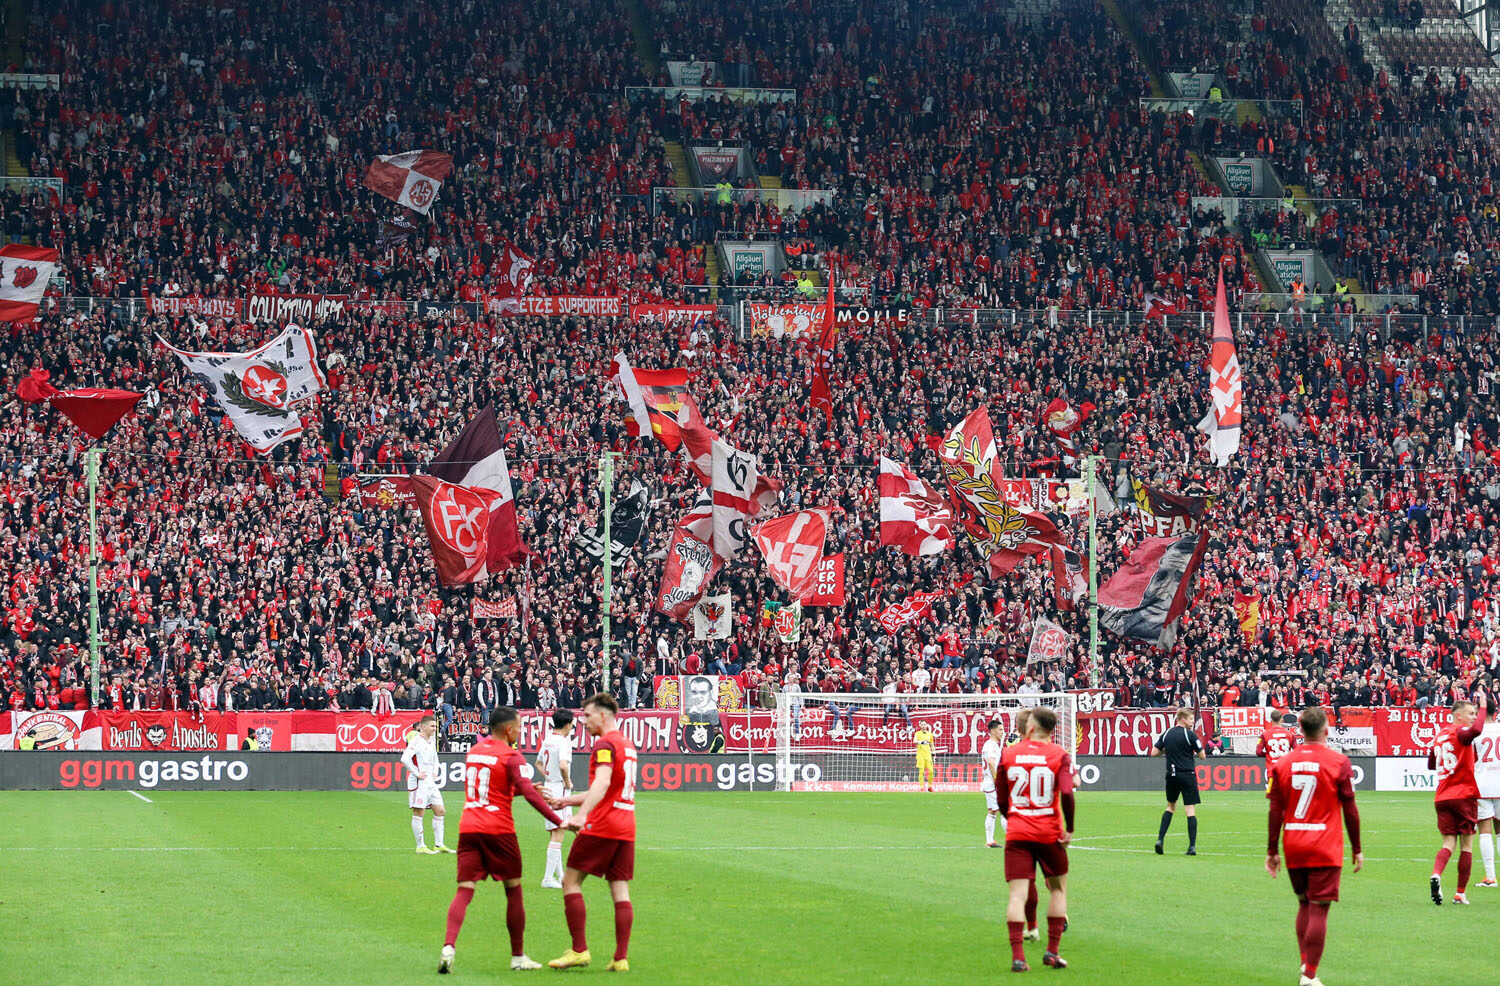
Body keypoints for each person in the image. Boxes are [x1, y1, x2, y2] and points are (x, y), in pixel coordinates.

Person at [439, 707, 570, 975]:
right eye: (519, 727)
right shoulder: (512, 756)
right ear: (508, 729)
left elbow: (496, 790)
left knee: (464, 890)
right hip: (499, 830)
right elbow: (531, 796)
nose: (521, 731)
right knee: (513, 890)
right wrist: (560, 821)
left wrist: (525, 790)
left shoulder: (474, 752)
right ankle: (518, 956)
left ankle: (448, 947)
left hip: (469, 827)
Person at [1265, 706, 1364, 986]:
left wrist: (1272, 851)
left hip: (1294, 842)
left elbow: (1275, 811)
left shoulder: (1283, 763)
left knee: (1304, 904)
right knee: (1319, 908)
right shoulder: (1338, 761)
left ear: (1301, 731)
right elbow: (1351, 810)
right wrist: (1357, 847)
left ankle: (1304, 965)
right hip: (1324, 844)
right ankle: (1309, 974)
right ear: (1326, 730)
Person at [548, 693, 638, 972]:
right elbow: (608, 790)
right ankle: (620, 958)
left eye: (587, 715)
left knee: (570, 882)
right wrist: (567, 800)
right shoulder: (627, 745)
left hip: (602, 825)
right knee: (620, 890)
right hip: (626, 826)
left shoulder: (604, 743)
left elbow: (602, 781)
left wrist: (582, 814)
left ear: (603, 716)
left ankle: (579, 950)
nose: (583, 721)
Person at [998, 705, 1074, 971]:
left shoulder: (1008, 753)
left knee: (1017, 896)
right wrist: (1070, 828)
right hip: (1049, 832)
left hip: (1018, 832)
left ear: (1031, 727)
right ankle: (1052, 952)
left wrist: (1014, 818)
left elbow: (1001, 797)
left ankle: (1018, 957)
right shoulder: (1059, 754)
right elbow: (1067, 792)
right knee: (1057, 889)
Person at [1427, 694, 1487, 904]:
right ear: (1458, 715)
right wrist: (1484, 706)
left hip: (1442, 796)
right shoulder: (1461, 731)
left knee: (1448, 842)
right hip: (1463, 795)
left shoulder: (1439, 735)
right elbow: (1476, 731)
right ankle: (1460, 893)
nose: (1474, 717)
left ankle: (1436, 873)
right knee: (1467, 846)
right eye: (1471, 713)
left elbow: (1431, 763)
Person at [1152, 707, 1204, 854]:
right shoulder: (1190, 735)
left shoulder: (1167, 733)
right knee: (1190, 809)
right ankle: (1192, 846)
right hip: (1187, 775)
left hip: (1172, 774)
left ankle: (1160, 840)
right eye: (1190, 719)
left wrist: (1167, 750)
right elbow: (1202, 756)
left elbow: (1154, 752)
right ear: (1182, 718)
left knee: (1170, 807)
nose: (1192, 722)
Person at [535, 709, 576, 889]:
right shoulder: (563, 742)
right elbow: (563, 765)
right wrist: (567, 782)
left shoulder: (548, 739)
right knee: (559, 832)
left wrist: (548, 777)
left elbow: (538, 763)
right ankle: (547, 878)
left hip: (549, 786)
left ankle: (560, 875)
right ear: (567, 724)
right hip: (559, 788)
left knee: (554, 832)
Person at [401, 715, 452, 855]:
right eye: (432, 726)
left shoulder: (431, 740)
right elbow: (404, 758)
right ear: (423, 727)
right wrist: (416, 773)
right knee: (419, 812)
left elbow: (435, 757)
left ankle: (439, 844)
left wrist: (435, 770)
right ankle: (420, 846)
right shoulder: (416, 741)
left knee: (440, 810)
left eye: (435, 726)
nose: (435, 728)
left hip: (430, 781)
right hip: (419, 782)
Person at [1476, 702, 1500, 888]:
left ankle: (1490, 877)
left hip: (1482, 785)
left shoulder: (1476, 733)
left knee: (1485, 832)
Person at [1256, 711, 1300, 783]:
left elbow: (1258, 752)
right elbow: (1297, 751)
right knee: (1286, 793)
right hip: (1286, 770)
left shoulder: (1264, 734)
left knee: (1272, 793)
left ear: (1271, 721)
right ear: (1282, 720)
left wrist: (1268, 753)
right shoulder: (1290, 735)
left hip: (1272, 769)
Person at [982, 717, 1005, 848]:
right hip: (992, 782)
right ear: (992, 731)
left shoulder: (993, 744)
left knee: (992, 811)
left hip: (989, 782)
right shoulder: (990, 745)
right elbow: (990, 762)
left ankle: (990, 841)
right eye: (1000, 730)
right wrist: (997, 780)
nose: (1003, 732)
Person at [914, 722, 936, 792]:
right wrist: (921, 742)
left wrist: (934, 753)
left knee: (931, 771)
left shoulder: (930, 734)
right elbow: (914, 741)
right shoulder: (917, 733)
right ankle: (921, 787)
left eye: (924, 724)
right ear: (920, 726)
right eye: (922, 724)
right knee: (921, 772)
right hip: (920, 755)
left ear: (926, 725)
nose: (923, 726)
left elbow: (932, 745)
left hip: (928, 755)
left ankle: (930, 786)